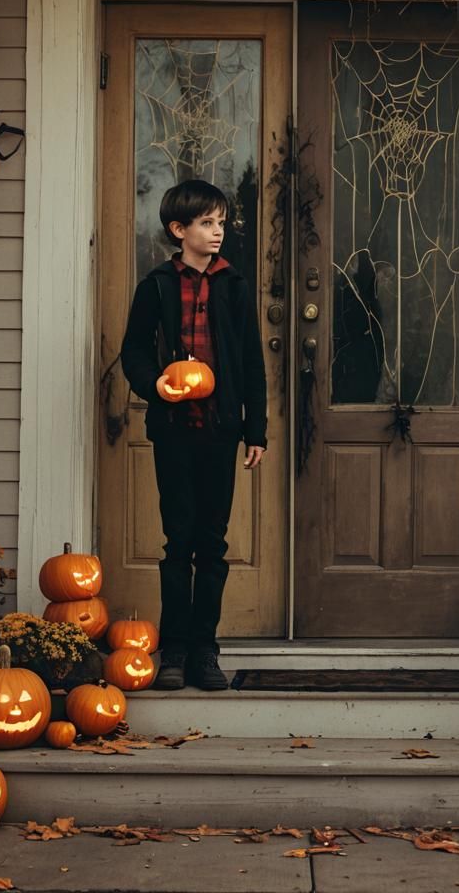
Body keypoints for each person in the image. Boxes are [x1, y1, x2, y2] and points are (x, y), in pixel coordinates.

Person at [120, 179, 267, 691]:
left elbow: (251, 360)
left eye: (222, 222)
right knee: (177, 540)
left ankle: (206, 649)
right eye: (207, 223)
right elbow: (133, 350)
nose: (218, 231)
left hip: (221, 431)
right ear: (178, 230)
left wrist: (257, 430)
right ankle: (175, 649)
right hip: (174, 430)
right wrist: (154, 384)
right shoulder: (157, 285)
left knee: (213, 541)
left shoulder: (234, 285)